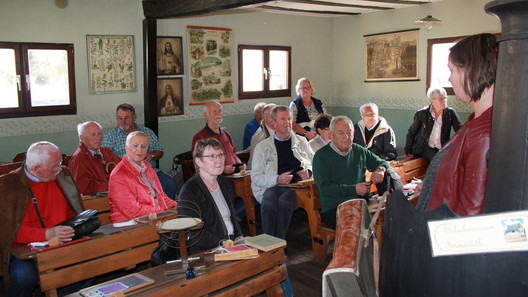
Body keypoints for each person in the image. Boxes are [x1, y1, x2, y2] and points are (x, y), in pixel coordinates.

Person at [415, 33, 497, 216]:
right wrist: (432, 185)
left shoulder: (482, 134)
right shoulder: (474, 122)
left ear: (471, 70)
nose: (450, 79)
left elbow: (470, 214)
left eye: (452, 70)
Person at [0, 141, 89, 297]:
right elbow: (8, 231)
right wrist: (46, 234)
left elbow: (71, 211)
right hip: (23, 248)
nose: (60, 169)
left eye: (60, 162)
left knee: (92, 262)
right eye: (55, 166)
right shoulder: (7, 185)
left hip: (61, 242)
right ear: (36, 169)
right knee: (24, 277)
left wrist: (73, 226)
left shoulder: (62, 176)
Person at [313, 116, 390, 229]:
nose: (346, 137)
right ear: (331, 135)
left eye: (349, 133)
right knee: (360, 225)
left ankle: (379, 246)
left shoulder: (358, 150)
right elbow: (325, 188)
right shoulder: (321, 157)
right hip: (335, 208)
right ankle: (365, 246)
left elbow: (383, 163)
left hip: (361, 204)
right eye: (341, 133)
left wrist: (380, 170)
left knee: (391, 214)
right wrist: (354, 189)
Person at [251, 105, 314, 239]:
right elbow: (255, 176)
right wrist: (277, 179)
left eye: (290, 119)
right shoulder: (262, 147)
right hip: (275, 185)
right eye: (283, 119)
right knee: (268, 202)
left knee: (285, 202)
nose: (287, 123)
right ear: (273, 123)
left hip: (298, 187)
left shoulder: (302, 141)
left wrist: (309, 171)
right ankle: (269, 243)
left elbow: (316, 164)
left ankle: (279, 243)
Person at [177, 138, 243, 254]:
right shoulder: (190, 191)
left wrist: (239, 237)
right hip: (208, 251)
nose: (219, 161)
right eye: (212, 156)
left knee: (274, 260)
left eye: (221, 155)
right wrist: (223, 243)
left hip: (231, 244)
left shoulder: (224, 183)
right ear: (199, 162)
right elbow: (193, 233)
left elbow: (232, 218)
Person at [102, 103, 177, 199]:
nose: (122, 121)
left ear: (134, 117)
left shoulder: (146, 132)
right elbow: (104, 159)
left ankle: (166, 212)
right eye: (119, 118)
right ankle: (149, 211)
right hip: (127, 174)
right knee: (141, 192)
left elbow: (160, 151)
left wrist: (151, 155)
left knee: (170, 185)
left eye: (126, 118)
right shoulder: (110, 136)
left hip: (149, 170)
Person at [108, 131, 176, 223]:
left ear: (147, 149)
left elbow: (161, 197)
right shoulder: (118, 175)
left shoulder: (148, 169)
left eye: (143, 146)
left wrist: (176, 206)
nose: (139, 150)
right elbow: (132, 211)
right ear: (126, 148)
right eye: (135, 146)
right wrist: (162, 211)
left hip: (153, 218)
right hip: (130, 224)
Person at [405, 87, 463, 162]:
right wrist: (408, 151)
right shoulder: (422, 114)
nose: (444, 101)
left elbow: (460, 130)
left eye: (445, 98)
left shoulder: (450, 113)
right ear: (432, 100)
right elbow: (411, 132)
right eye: (441, 99)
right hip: (424, 148)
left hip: (441, 148)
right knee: (438, 161)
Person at [191, 100, 246, 175]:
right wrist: (222, 170)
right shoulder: (200, 137)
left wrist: (240, 164)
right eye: (214, 111)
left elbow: (233, 155)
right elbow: (200, 165)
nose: (218, 114)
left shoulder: (226, 134)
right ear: (206, 115)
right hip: (217, 178)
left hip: (235, 175)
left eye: (219, 111)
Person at [69, 121, 121, 196]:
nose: (98, 137)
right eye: (93, 135)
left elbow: (123, 166)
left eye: (99, 134)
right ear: (82, 138)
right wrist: (113, 185)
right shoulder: (78, 159)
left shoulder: (106, 151)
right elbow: (85, 188)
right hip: (97, 201)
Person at [248, 103, 276, 169]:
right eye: (273, 114)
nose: (276, 117)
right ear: (264, 116)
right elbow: (257, 162)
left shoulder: (278, 130)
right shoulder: (260, 136)